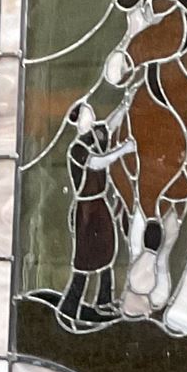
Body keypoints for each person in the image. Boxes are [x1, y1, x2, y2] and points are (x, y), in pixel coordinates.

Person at [55, 98, 128, 332]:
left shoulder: (96, 136)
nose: (92, 115)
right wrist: (124, 150)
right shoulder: (78, 149)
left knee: (108, 250)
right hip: (87, 210)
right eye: (87, 113)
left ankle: (104, 300)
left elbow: (111, 124)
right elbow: (98, 163)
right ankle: (69, 310)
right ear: (79, 122)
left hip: (100, 205)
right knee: (85, 261)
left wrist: (126, 103)